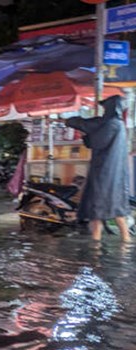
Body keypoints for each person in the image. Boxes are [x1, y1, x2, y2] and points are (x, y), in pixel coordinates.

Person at [66, 95, 132, 242]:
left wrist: (76, 126)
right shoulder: (119, 124)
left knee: (96, 211)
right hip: (115, 175)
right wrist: (87, 134)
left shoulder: (109, 123)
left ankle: (95, 247)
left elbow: (93, 137)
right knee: (117, 210)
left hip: (103, 172)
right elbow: (95, 138)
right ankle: (125, 242)